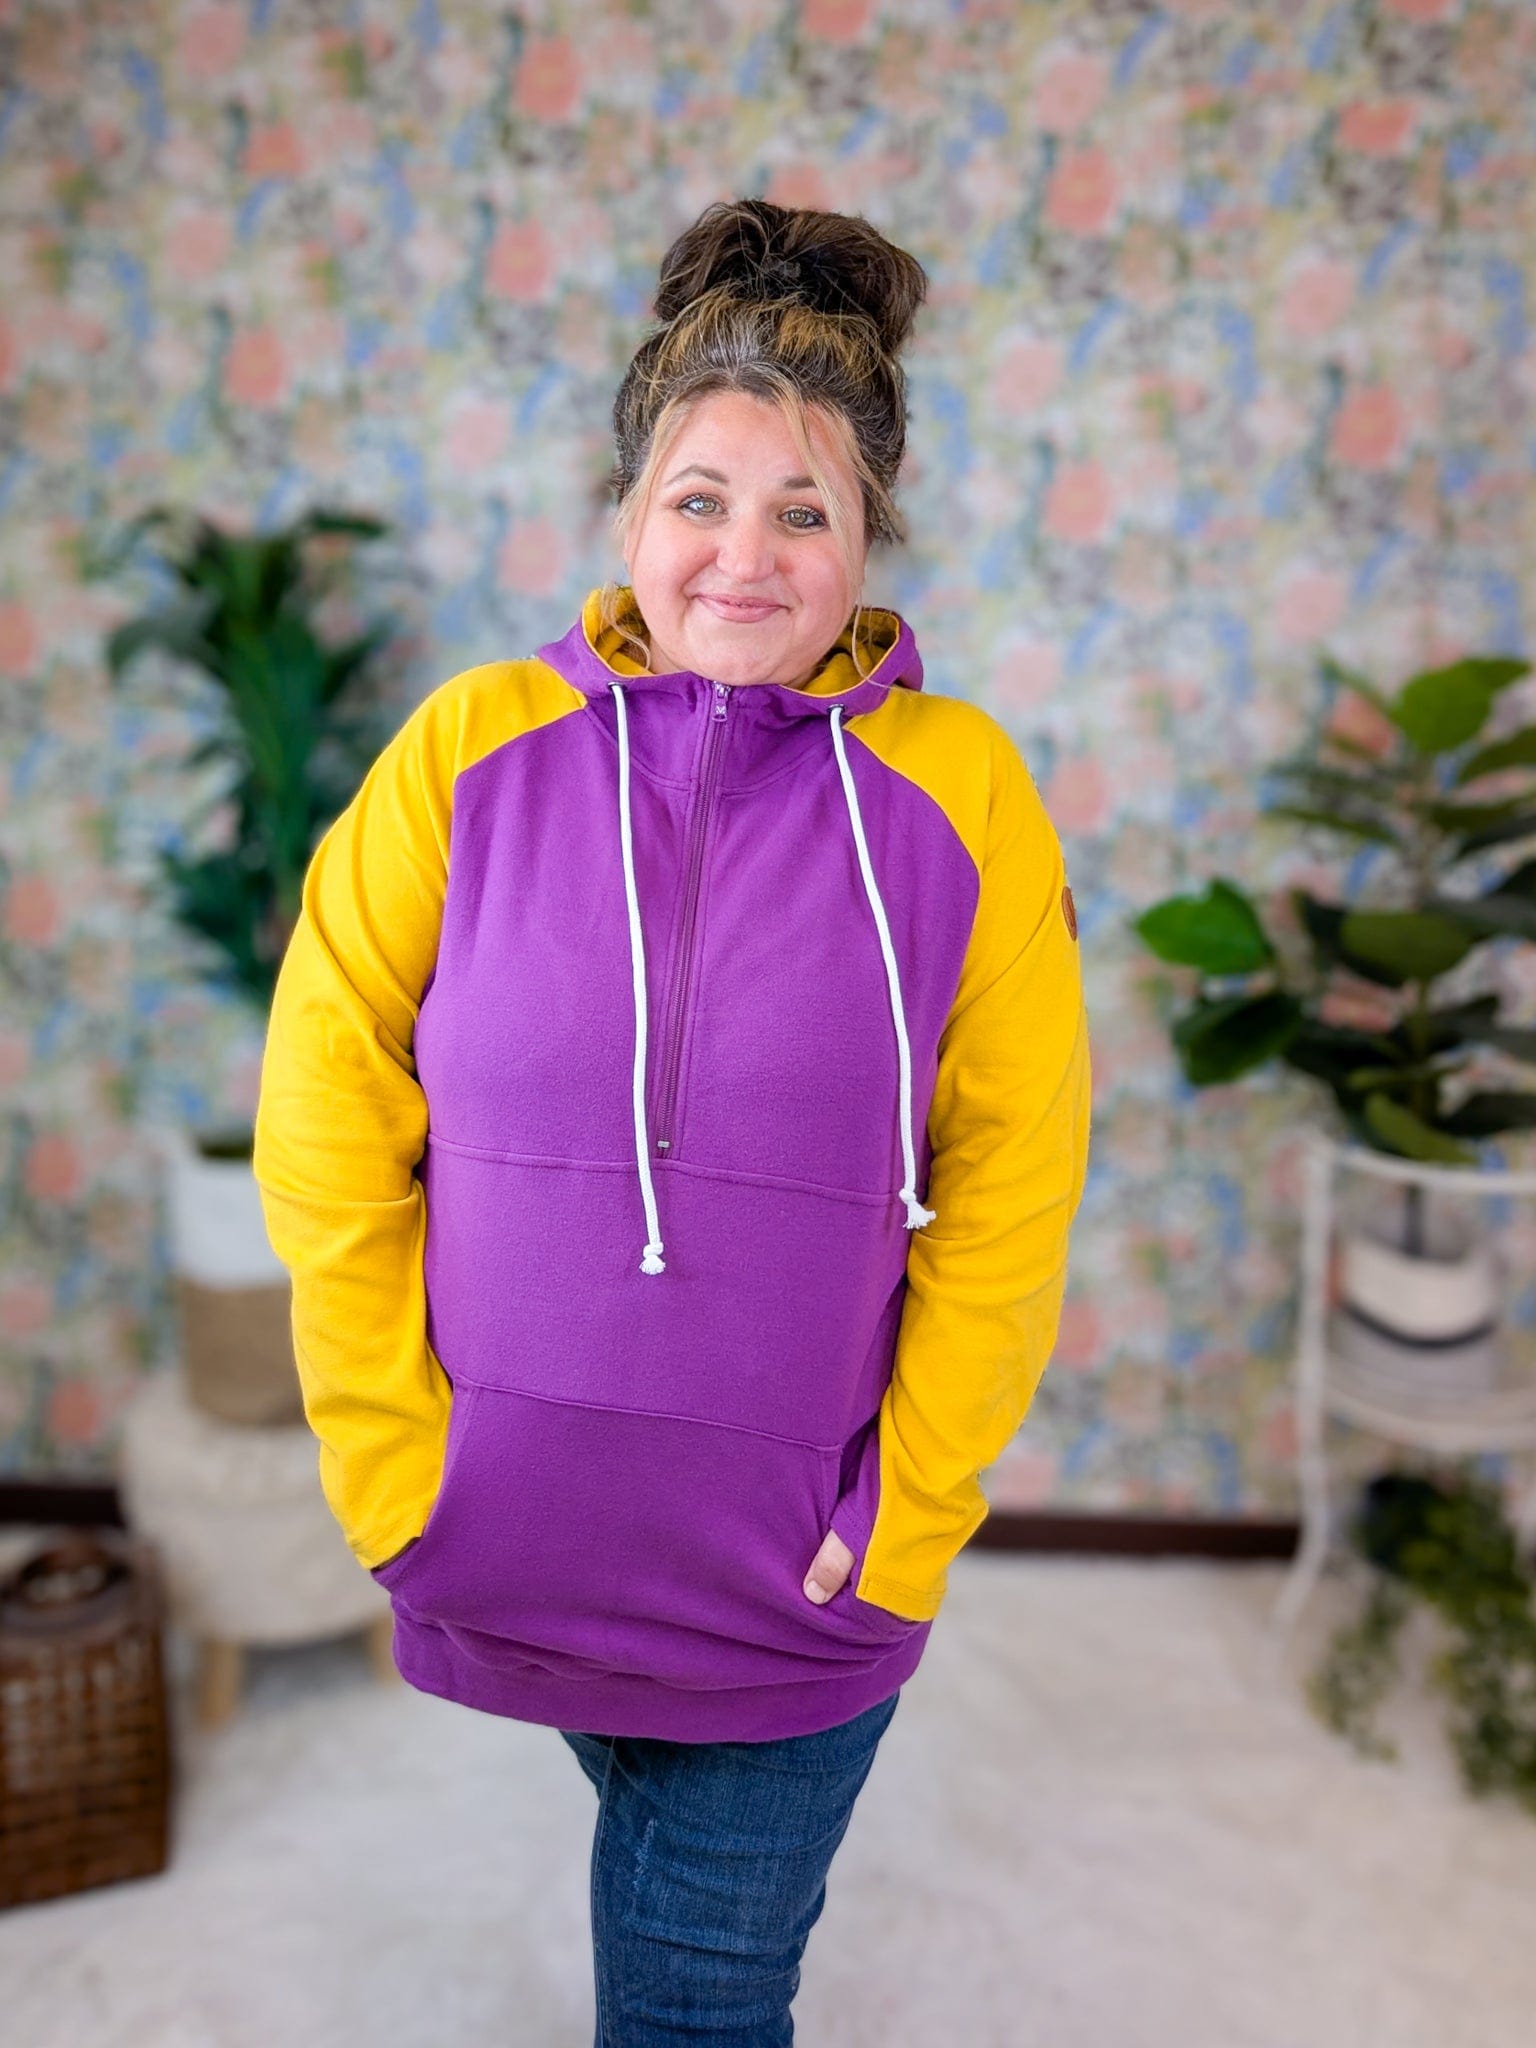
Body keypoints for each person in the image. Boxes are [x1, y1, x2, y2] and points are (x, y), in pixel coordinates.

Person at [253, 196, 1091, 2044]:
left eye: (806, 510)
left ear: (869, 539)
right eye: (702, 497)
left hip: (800, 1572)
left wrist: (908, 1517)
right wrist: (396, 1466)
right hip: (508, 1538)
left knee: (695, 1997)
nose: (745, 555)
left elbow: (1014, 1187)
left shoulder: (964, 798)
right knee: (672, 1939)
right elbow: (323, 1122)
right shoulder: (468, 753)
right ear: (630, 513)